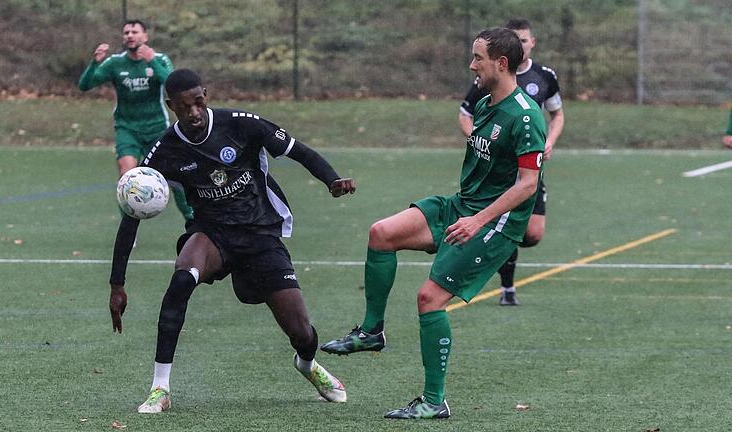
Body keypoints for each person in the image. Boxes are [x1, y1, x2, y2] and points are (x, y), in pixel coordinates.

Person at [322, 28, 546, 419]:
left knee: (429, 299)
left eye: (478, 58)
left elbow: (528, 185)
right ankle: (371, 332)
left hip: (494, 223)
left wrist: (478, 220)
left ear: (501, 63)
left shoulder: (526, 117)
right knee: (381, 233)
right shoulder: (484, 104)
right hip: (460, 206)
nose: (471, 64)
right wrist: (465, 211)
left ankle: (433, 401)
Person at [108, 68, 357, 413]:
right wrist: (117, 284)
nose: (193, 112)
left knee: (301, 331)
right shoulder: (165, 149)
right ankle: (160, 388)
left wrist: (330, 179)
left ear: (206, 95)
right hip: (212, 233)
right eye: (184, 107)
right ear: (171, 106)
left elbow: (299, 151)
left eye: (198, 102)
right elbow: (131, 213)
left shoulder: (241, 124)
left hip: (259, 233)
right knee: (182, 279)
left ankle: (307, 363)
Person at [458, 18, 563, 306]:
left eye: (525, 40)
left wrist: (549, 140)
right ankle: (507, 287)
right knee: (508, 221)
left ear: (532, 43)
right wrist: (478, 140)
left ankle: (495, 240)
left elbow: (557, 114)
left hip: (530, 165)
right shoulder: (487, 79)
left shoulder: (544, 77)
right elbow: (466, 115)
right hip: (501, 172)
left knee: (533, 234)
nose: (522, 44)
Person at [78, 19, 194, 221]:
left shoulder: (159, 58)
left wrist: (152, 62)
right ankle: (128, 226)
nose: (130, 35)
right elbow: (85, 85)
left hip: (157, 129)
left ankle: (192, 218)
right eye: (126, 32)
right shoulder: (115, 63)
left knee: (175, 178)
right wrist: (94, 64)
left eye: (134, 31)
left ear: (145, 36)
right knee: (127, 175)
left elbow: (172, 84)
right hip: (127, 129)